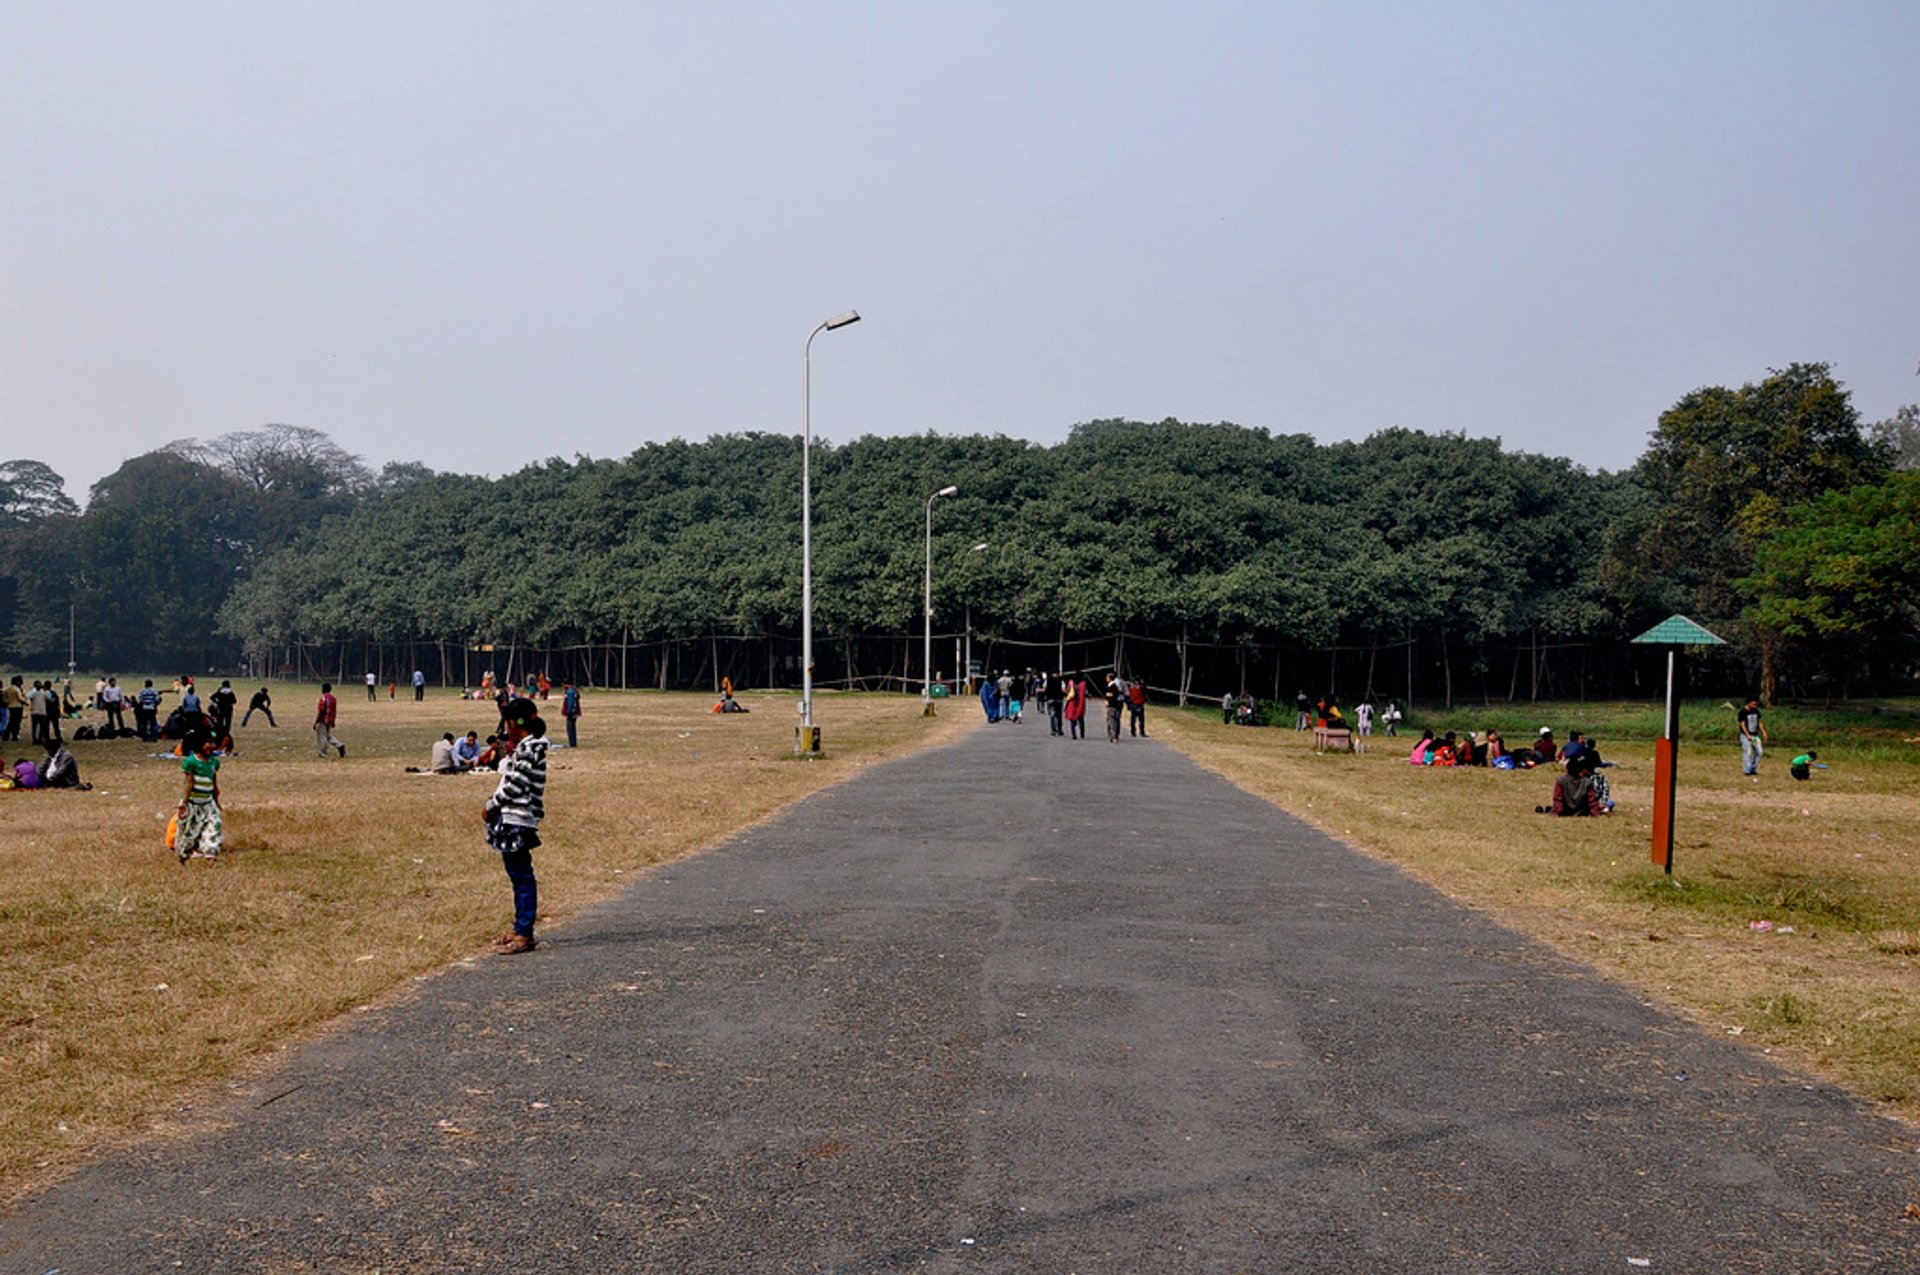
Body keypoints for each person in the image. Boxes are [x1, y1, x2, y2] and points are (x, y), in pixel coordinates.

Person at [485, 699, 549, 955]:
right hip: (511, 816)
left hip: (518, 818)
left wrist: (491, 804)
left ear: (514, 723)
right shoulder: (524, 747)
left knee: (522, 877)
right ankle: (519, 926)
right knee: (516, 875)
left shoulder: (530, 749)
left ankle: (525, 932)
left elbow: (516, 785)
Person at [174, 729, 222, 861]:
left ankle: (211, 856)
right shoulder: (191, 762)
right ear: (199, 743)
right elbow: (189, 784)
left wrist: (216, 802)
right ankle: (183, 857)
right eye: (209, 742)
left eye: (214, 743)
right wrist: (184, 803)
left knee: (214, 827)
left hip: (208, 803)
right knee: (189, 833)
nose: (212, 746)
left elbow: (214, 783)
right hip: (193, 803)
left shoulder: (214, 763)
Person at [1538, 757, 1607, 816]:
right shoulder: (1587, 782)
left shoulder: (1561, 781)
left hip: (1565, 811)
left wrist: (1557, 812)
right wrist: (1596, 812)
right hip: (1582, 812)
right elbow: (1592, 801)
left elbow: (1558, 799)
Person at [1737, 697, 1767, 778]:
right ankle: (1747, 770)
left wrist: (1763, 732)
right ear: (1748, 703)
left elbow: (1760, 722)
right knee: (1748, 752)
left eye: (1756, 704)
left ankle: (1753, 768)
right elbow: (1742, 724)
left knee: (1759, 752)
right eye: (1754, 704)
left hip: (1755, 735)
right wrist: (1747, 735)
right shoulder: (1742, 712)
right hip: (1746, 735)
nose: (1755, 705)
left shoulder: (1756, 711)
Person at [314, 682, 345, 759]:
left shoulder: (323, 698)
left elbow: (321, 711)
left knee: (322, 736)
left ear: (323, 689)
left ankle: (323, 753)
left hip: (323, 720)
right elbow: (334, 711)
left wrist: (316, 721)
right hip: (330, 720)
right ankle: (339, 745)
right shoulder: (333, 699)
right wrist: (333, 721)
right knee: (328, 736)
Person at [1102, 672, 1124, 744]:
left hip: (1112, 705)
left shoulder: (1113, 686)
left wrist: (1108, 698)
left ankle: (1114, 736)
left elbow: (1113, 695)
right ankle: (1111, 734)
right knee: (1109, 720)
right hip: (1109, 705)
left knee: (1112, 721)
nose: (1106, 679)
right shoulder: (1108, 686)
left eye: (1107, 677)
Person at [1064, 675, 1087, 739]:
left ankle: (1074, 734)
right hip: (1079, 703)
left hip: (1072, 703)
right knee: (1081, 719)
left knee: (1072, 720)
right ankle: (1082, 733)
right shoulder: (1082, 685)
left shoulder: (1071, 684)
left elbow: (1068, 693)